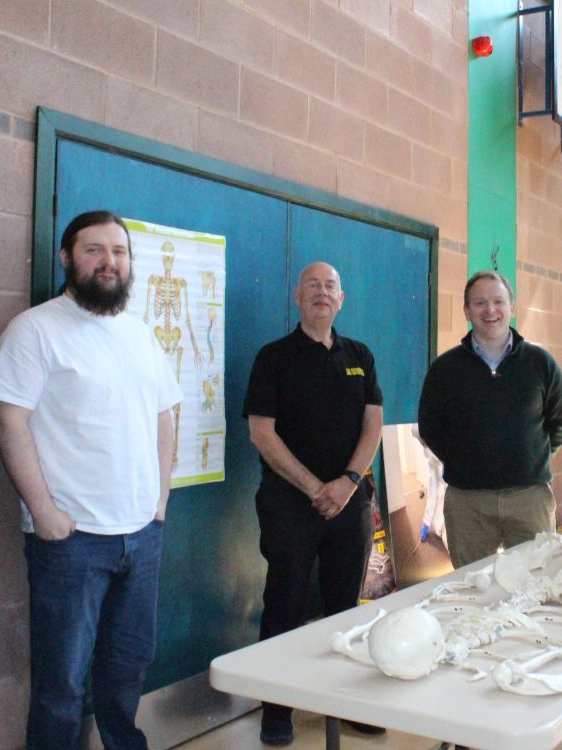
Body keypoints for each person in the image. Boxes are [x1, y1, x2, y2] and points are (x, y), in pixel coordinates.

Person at [0, 211, 182, 750]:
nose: (108, 261)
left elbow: (167, 412)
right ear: (67, 258)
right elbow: (8, 421)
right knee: (61, 683)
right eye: (94, 250)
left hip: (141, 535)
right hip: (71, 542)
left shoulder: (139, 331)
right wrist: (43, 511)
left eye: (118, 251)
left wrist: (160, 498)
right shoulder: (35, 329)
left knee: (128, 667)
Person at [243, 261, 383, 746]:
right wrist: (312, 488)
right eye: (313, 286)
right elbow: (261, 431)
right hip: (289, 506)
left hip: (350, 505)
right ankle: (275, 710)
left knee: (346, 609)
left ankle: (343, 702)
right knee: (284, 604)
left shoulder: (359, 354)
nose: (322, 293)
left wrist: (346, 484)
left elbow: (374, 425)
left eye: (330, 287)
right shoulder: (273, 357)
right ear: (298, 299)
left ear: (341, 300)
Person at [418, 270, 562, 568]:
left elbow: (560, 424)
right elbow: (430, 427)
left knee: (538, 583)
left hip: (529, 499)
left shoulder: (541, 364)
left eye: (498, 302)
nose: (490, 311)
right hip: (468, 503)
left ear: (512, 307)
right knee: (472, 589)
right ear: (466, 310)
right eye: (479, 303)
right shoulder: (445, 369)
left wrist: (530, 459)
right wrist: (466, 462)